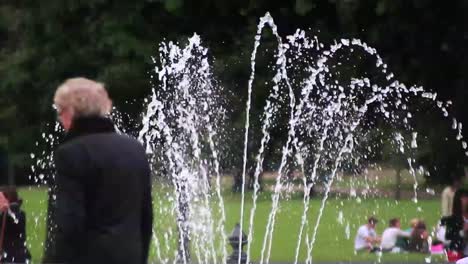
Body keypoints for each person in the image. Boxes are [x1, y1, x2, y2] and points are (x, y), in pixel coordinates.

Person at [43, 78, 153, 264]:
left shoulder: (71, 154)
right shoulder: (134, 148)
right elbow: (145, 217)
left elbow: (69, 225)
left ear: (70, 112)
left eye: (60, 112)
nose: (60, 119)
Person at [0, 187, 31, 263]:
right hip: (20, 257)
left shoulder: (9, 215)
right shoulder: (21, 214)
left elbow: (13, 219)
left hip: (10, 258)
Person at [445, 189, 468, 261]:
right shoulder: (452, 219)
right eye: (463, 198)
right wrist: (463, 232)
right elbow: (449, 237)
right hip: (459, 252)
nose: (465, 200)